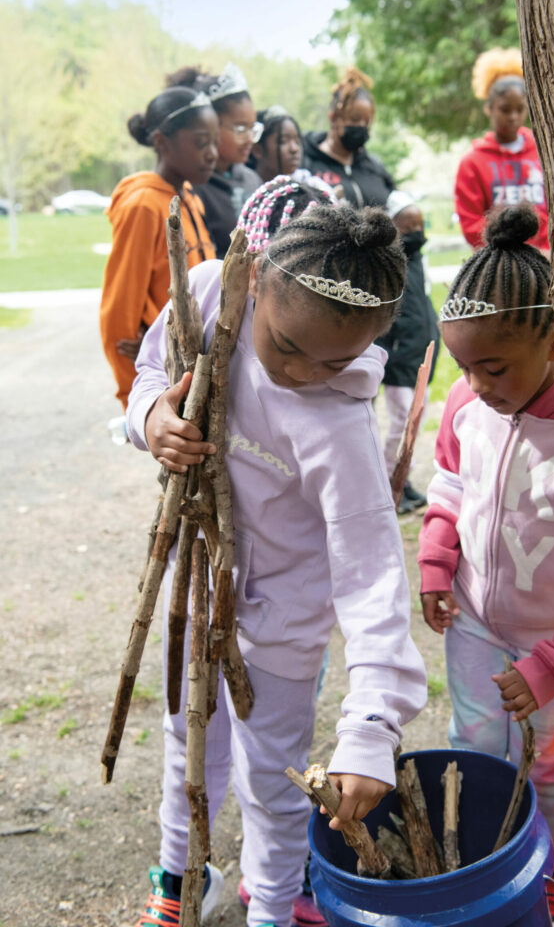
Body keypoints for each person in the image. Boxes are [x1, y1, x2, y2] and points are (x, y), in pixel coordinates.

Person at [126, 179, 428, 926]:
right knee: (188, 739)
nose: (301, 372)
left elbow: (372, 579)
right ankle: (180, 876)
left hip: (286, 625)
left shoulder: (340, 426)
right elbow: (152, 374)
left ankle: (274, 900)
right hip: (200, 588)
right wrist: (152, 418)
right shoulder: (207, 295)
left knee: (272, 772)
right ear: (255, 278)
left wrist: (369, 726)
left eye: (334, 362)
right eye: (288, 347)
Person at [417, 203, 554, 925]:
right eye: (464, 366)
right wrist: (438, 564)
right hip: (473, 620)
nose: (475, 383)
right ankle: (494, 860)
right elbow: (448, 488)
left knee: (549, 762)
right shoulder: (466, 409)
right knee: (474, 747)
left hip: (549, 638)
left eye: (493, 366)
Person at [100, 87, 218, 410]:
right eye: (200, 142)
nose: (212, 153)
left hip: (202, 380)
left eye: (215, 142)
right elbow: (118, 319)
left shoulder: (190, 197)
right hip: (168, 388)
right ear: (161, 142)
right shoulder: (143, 206)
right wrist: (138, 403)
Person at [375, 190, 440, 515]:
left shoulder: (418, 262)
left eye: (420, 226)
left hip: (422, 355)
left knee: (415, 421)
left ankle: (405, 479)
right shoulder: (391, 264)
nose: (417, 234)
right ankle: (389, 479)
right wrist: (393, 353)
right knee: (402, 422)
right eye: (408, 227)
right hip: (401, 360)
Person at [454, 48, 549, 251]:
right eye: (505, 109)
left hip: (548, 258)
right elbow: (472, 224)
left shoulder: (545, 151)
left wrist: (547, 249)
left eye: (520, 109)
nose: (513, 116)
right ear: (489, 108)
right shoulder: (472, 162)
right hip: (498, 262)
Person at [166, 63, 262, 258]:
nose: (250, 138)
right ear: (210, 125)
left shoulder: (252, 179)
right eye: (241, 129)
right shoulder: (191, 186)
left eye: (253, 128)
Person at [302, 67, 395, 208]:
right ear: (334, 118)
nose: (362, 126)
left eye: (367, 122)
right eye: (355, 120)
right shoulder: (306, 163)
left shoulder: (375, 167)